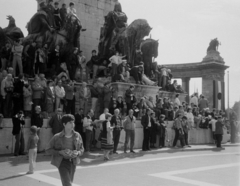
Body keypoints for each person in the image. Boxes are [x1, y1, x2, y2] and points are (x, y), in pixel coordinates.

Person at [46, 114, 84, 186]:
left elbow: (82, 149)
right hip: (62, 162)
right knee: (67, 184)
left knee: (69, 182)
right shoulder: (57, 137)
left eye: (73, 122)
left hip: (73, 162)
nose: (72, 124)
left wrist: (77, 153)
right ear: (64, 124)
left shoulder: (77, 135)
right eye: (70, 122)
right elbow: (48, 149)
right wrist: (60, 152)